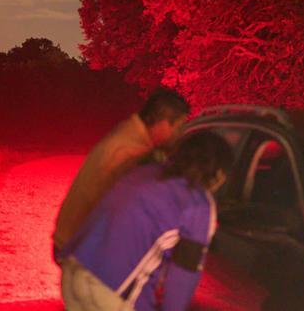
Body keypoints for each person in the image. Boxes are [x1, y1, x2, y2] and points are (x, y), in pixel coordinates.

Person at [58, 130, 234, 311]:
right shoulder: (198, 203)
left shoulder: (146, 171)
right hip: (111, 288)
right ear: (219, 174)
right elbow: (183, 275)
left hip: (74, 268)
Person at [53, 88, 190, 256]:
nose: (179, 134)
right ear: (163, 122)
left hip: (73, 238)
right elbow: (126, 214)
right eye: (178, 127)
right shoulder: (130, 152)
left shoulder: (130, 134)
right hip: (79, 246)